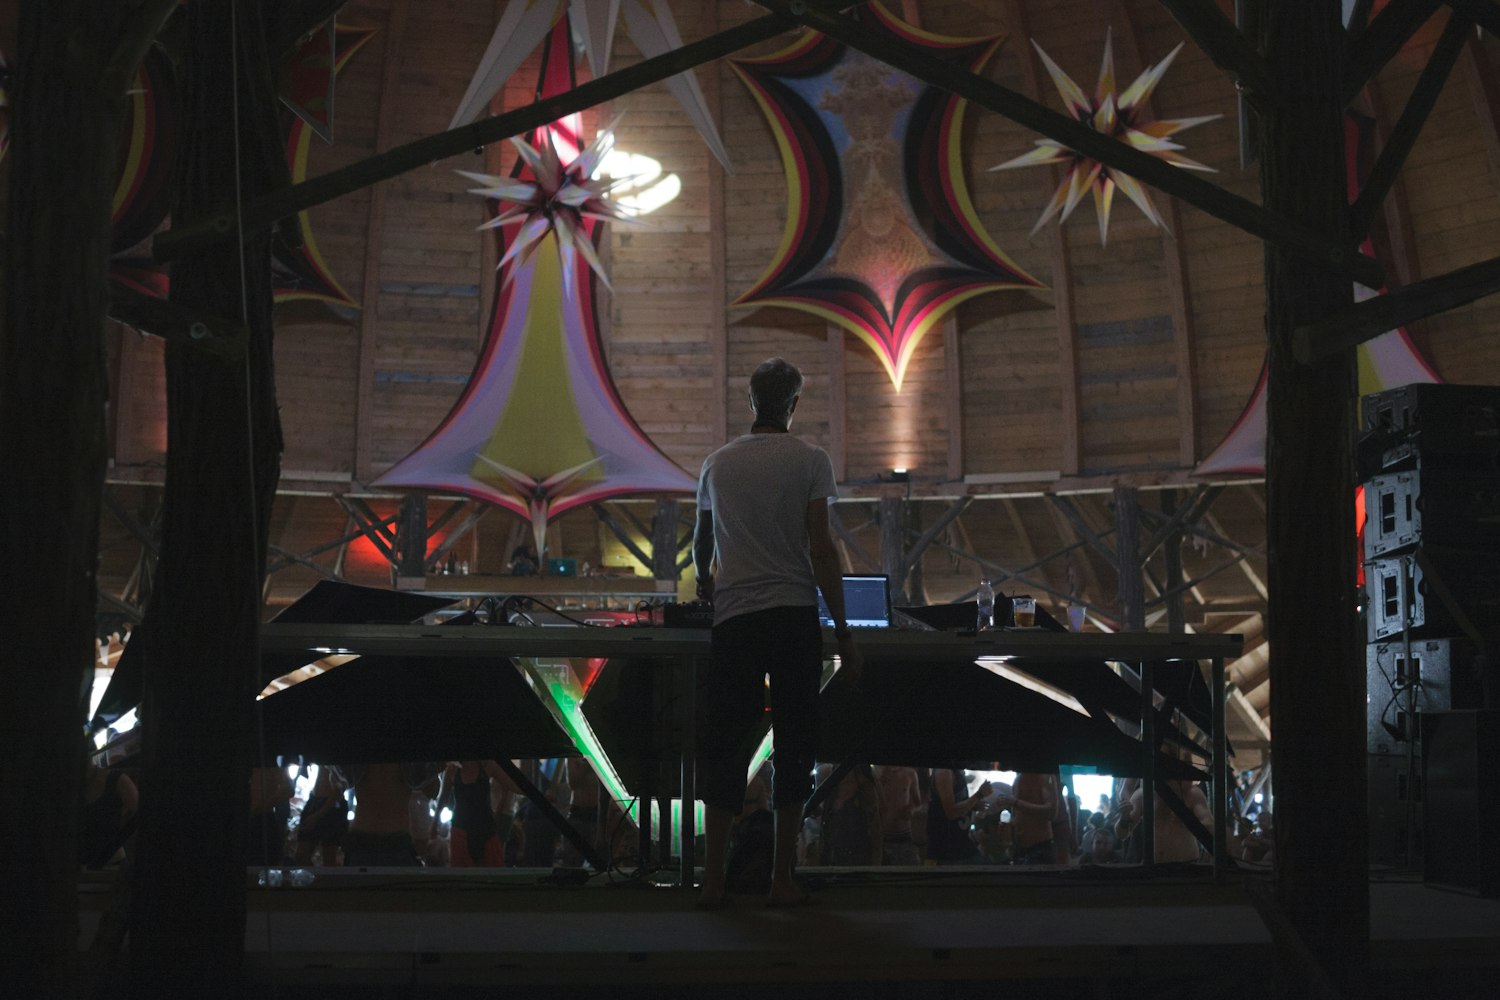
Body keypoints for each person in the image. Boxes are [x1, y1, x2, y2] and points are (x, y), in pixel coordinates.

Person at [693, 357, 863, 909]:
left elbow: (701, 544)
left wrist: (705, 583)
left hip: (735, 619)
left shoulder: (717, 464)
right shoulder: (810, 460)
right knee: (795, 746)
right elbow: (821, 549)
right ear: (793, 405)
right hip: (793, 616)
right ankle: (781, 879)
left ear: (750, 401)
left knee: (725, 745)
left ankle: (712, 881)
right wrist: (843, 631)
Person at [925, 767, 991, 865]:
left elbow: (956, 803)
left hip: (961, 842)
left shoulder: (957, 770)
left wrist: (973, 805)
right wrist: (978, 795)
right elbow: (951, 812)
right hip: (947, 849)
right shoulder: (944, 772)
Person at [995, 771, 1056, 865]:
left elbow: (1051, 812)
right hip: (1020, 850)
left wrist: (1016, 803)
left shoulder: (1045, 776)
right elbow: (1019, 814)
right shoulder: (1018, 779)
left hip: (1040, 848)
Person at [875, 765, 922, 865]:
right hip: (882, 836)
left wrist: (912, 809)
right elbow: (869, 800)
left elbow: (918, 803)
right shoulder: (876, 772)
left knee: (910, 870)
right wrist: (880, 782)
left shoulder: (910, 773)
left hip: (904, 835)